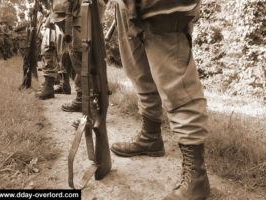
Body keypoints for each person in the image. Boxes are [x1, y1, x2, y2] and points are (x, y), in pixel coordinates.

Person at [110, 1, 210, 199]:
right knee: (141, 75)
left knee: (177, 86)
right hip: (126, 5)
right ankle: (150, 138)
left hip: (161, 4)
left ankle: (197, 177)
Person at [61, 0, 107, 112]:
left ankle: (85, 101)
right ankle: (93, 100)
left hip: (80, 20)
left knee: (81, 63)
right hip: (94, 19)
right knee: (91, 62)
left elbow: (66, 5)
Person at [36, 0, 73, 100]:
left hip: (62, 15)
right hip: (58, 14)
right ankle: (64, 85)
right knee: (60, 52)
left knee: (51, 51)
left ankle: (50, 87)